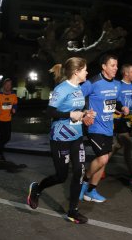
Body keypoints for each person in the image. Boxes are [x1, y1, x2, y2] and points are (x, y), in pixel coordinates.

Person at [27, 57, 93, 224]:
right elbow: (49, 112)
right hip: (60, 138)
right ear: (76, 72)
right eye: (85, 69)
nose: (87, 72)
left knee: (80, 171)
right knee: (61, 176)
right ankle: (37, 188)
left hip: (76, 137)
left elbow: (75, 109)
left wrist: (85, 114)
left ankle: (73, 211)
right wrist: (70, 115)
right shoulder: (61, 89)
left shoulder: (79, 88)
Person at [79, 53, 129, 203]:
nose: (116, 68)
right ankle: (84, 181)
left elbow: (115, 102)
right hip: (94, 127)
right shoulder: (93, 82)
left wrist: (123, 108)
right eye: (112, 65)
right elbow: (77, 98)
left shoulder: (117, 84)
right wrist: (84, 114)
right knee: (103, 158)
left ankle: (91, 191)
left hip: (108, 127)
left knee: (104, 161)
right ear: (104, 67)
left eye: (116, 65)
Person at [111, 64, 132, 183]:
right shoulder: (117, 85)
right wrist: (120, 109)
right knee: (128, 144)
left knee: (117, 145)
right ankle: (131, 172)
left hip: (129, 119)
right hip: (119, 119)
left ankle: (100, 164)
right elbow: (112, 101)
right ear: (126, 73)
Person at [0, 78, 18, 162]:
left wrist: (14, 109)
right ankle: (1, 154)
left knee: (7, 138)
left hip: (8, 119)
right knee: (3, 137)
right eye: (7, 85)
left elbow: (15, 105)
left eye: (10, 85)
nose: (8, 86)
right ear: (4, 85)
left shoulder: (14, 96)